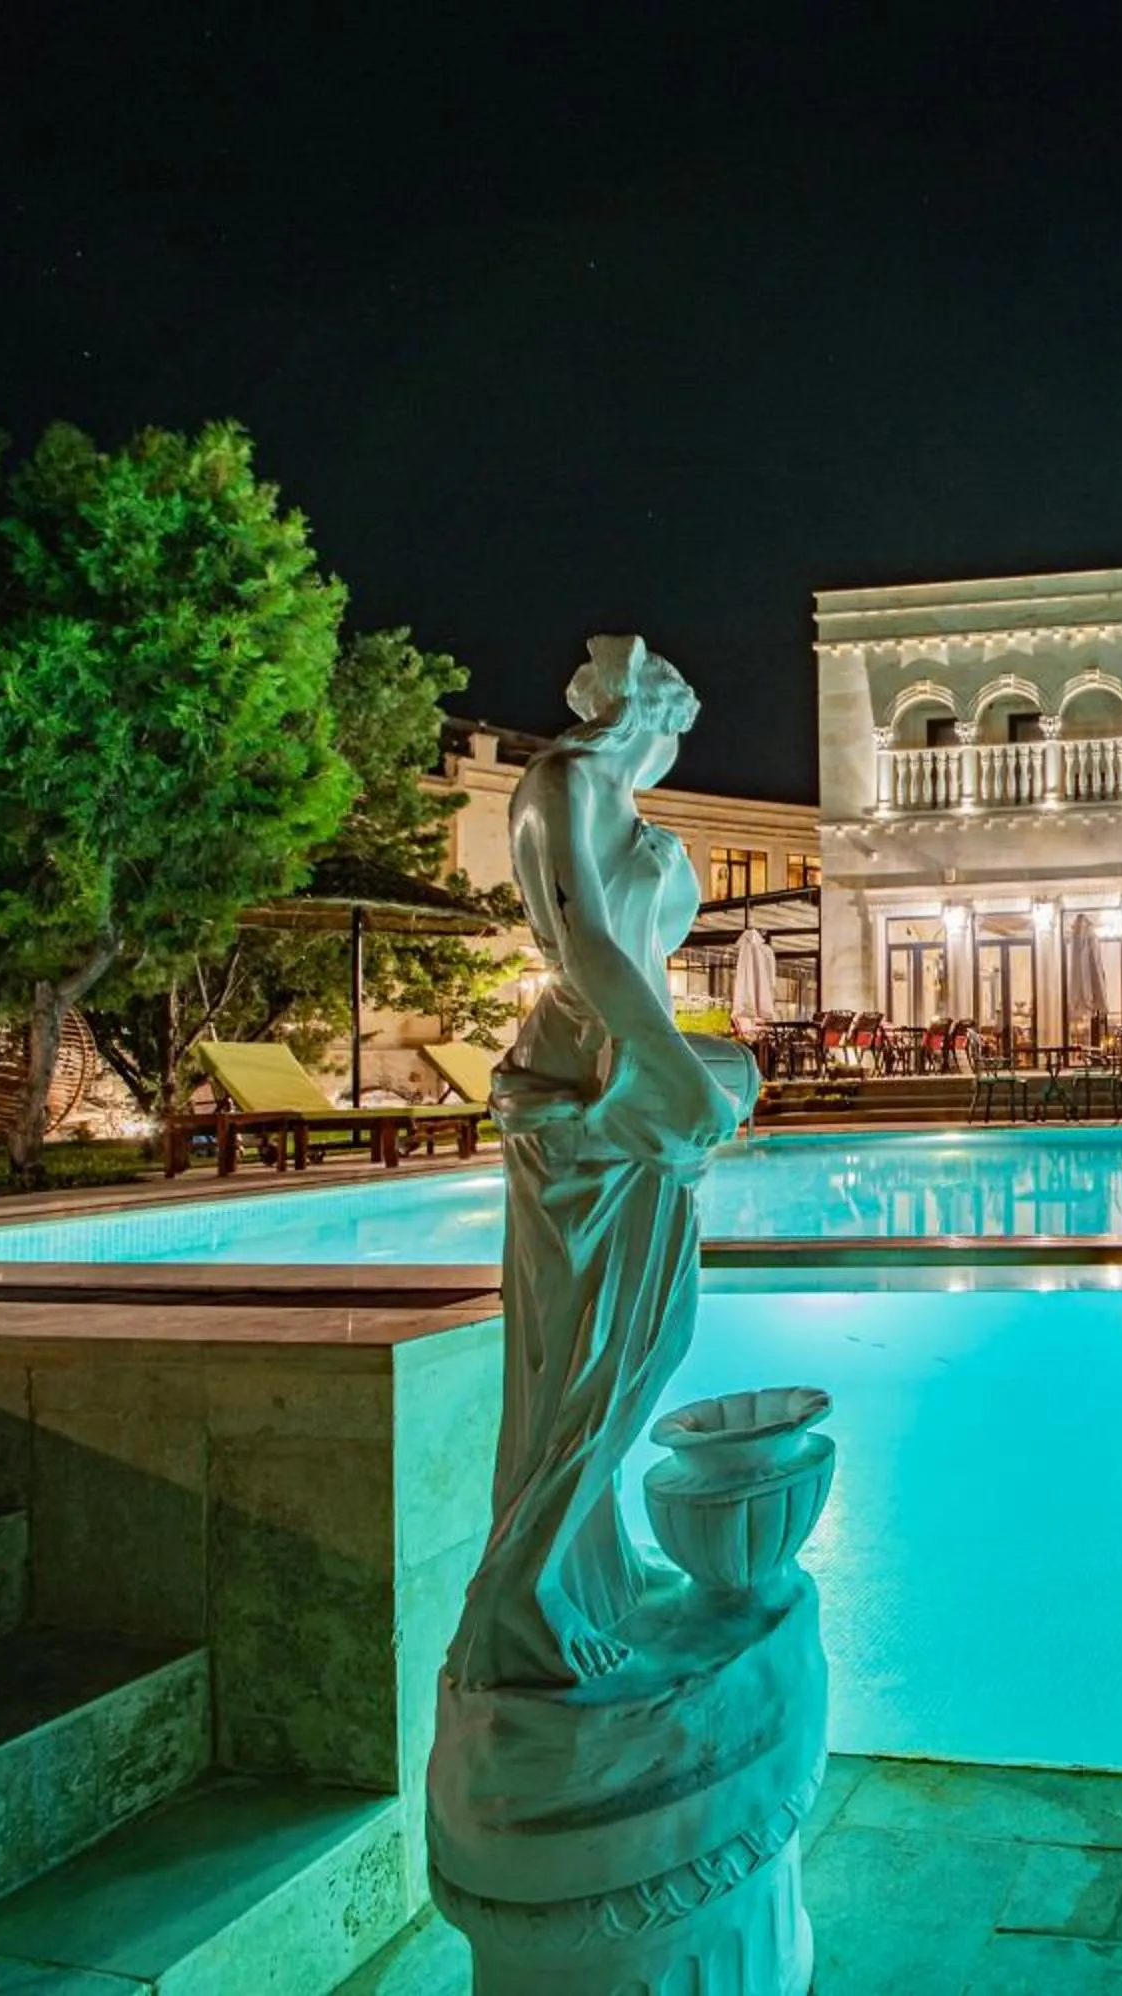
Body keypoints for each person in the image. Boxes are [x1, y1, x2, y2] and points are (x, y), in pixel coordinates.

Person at [445, 634, 739, 1690]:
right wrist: (685, 1082)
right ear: (643, 712)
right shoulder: (557, 783)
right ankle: (519, 1595)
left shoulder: (640, 822)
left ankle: (585, 1567)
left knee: (633, 1337)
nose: (673, 749)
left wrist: (690, 1069)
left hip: (631, 1080)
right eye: (673, 723)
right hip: (582, 1089)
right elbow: (588, 953)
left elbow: (645, 958)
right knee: (602, 1350)